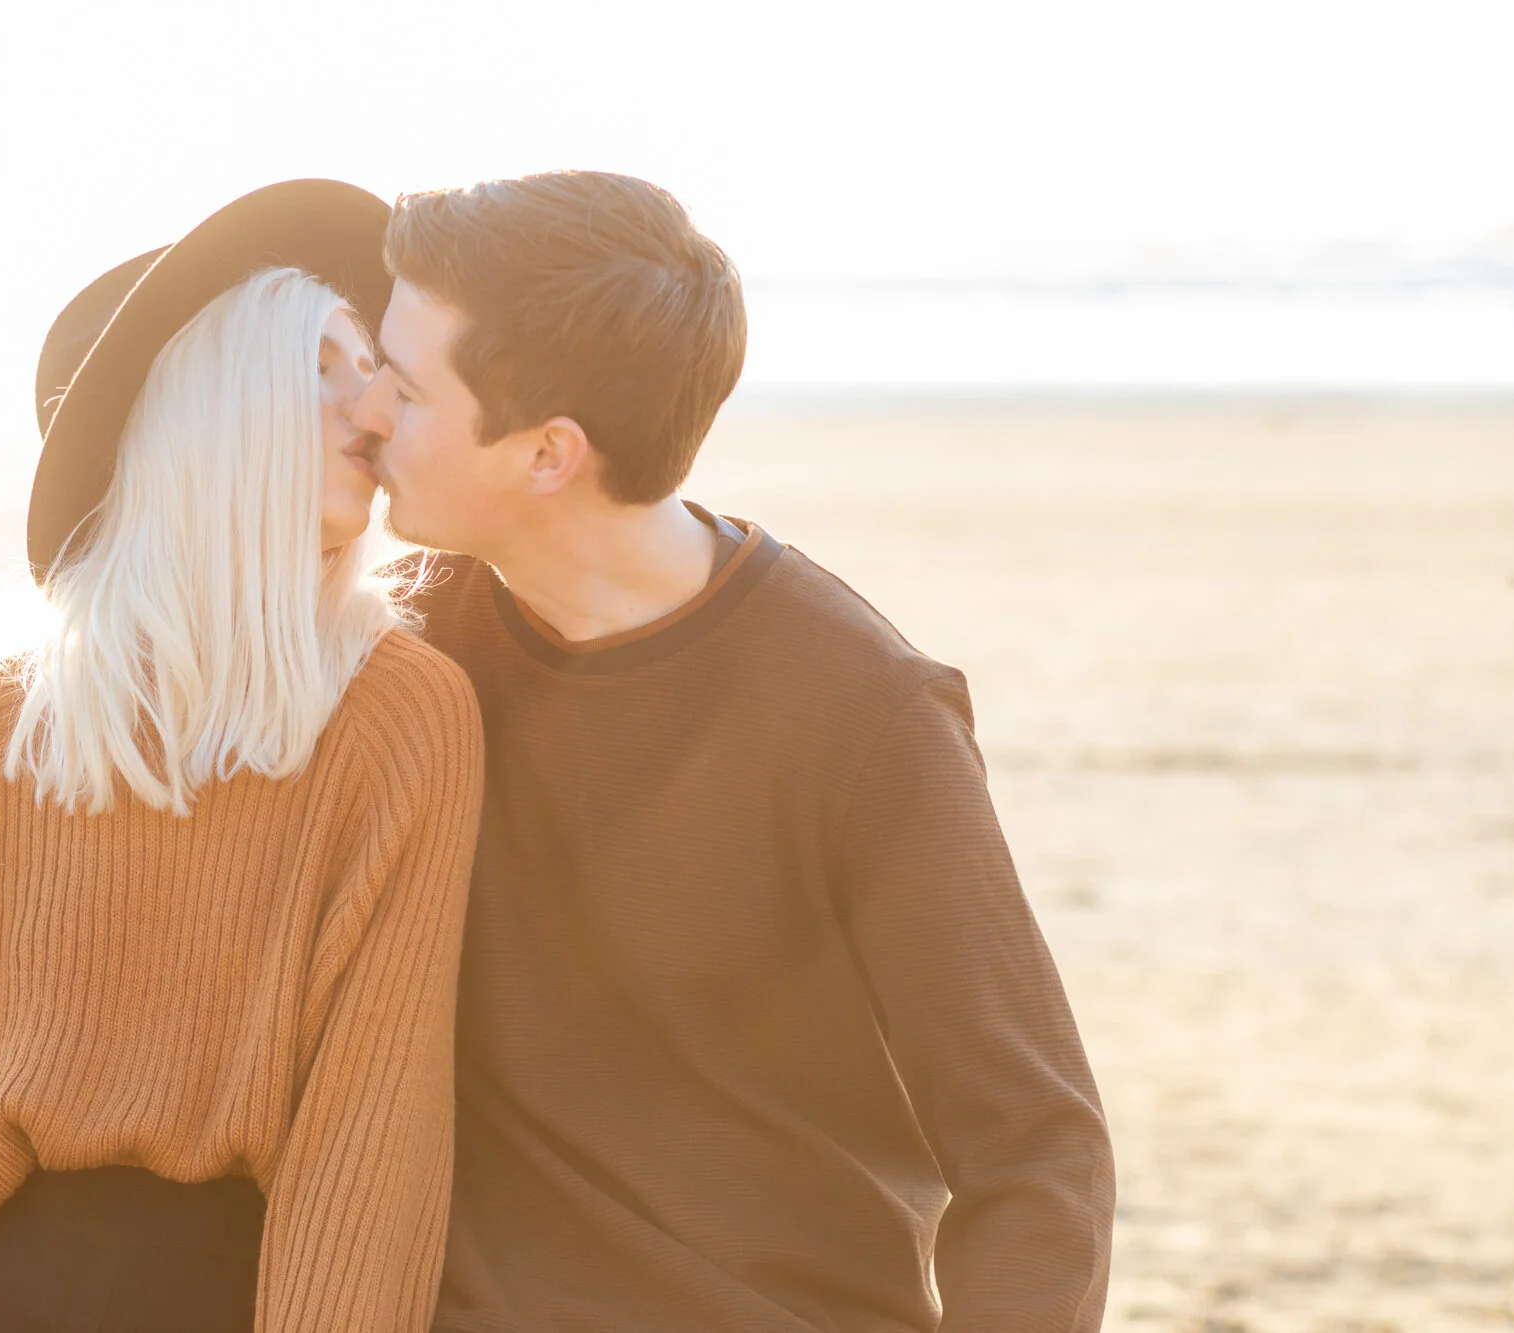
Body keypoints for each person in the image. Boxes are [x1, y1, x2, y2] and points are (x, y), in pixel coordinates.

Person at [350, 172, 1117, 1331]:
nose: (363, 410)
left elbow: (1037, 1152)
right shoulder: (401, 646)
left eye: (403, 390)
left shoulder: (861, 714)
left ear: (546, 454)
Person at [0, 180, 485, 1333]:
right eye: (329, 366)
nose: (378, 409)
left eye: (378, 371)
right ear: (218, 408)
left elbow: (368, 1134)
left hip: (218, 1299)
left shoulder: (399, 715)